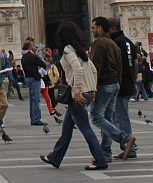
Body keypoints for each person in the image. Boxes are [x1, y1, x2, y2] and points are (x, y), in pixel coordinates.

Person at [41, 20, 108, 171]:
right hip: (87, 91)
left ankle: (100, 160)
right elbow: (93, 70)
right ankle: (55, 157)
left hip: (78, 94)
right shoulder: (80, 51)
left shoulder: (67, 51)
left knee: (85, 128)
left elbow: (77, 70)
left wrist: (77, 92)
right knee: (66, 129)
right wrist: (93, 89)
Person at [89, 16, 135, 163]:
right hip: (115, 84)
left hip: (103, 84)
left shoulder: (99, 44)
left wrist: (92, 88)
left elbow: (96, 67)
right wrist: (119, 83)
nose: (92, 30)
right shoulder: (114, 44)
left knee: (96, 117)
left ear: (100, 29)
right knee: (108, 118)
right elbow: (120, 67)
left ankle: (125, 138)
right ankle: (106, 152)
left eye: (94, 27)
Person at [106, 16, 138, 159]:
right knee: (120, 115)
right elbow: (136, 63)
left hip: (119, 84)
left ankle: (128, 146)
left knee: (120, 116)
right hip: (128, 82)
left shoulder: (115, 42)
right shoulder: (128, 42)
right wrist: (134, 80)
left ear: (113, 29)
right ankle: (126, 145)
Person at [21, 40, 46, 125]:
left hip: (27, 78)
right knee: (36, 99)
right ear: (29, 47)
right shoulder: (32, 56)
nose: (34, 46)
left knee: (32, 100)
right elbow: (43, 64)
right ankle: (36, 119)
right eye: (32, 45)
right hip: (34, 78)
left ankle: (33, 118)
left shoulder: (23, 57)